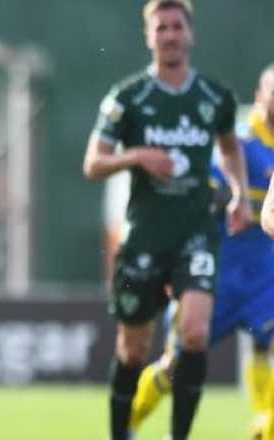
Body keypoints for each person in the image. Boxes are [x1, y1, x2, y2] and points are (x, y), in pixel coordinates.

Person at [81, 1, 252, 438]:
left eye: (178, 27)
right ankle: (121, 433)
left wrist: (238, 194)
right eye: (162, 28)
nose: (170, 35)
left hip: (196, 232)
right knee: (133, 349)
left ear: (190, 34)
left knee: (194, 333)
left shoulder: (215, 97)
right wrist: (138, 156)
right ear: (149, 36)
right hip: (143, 237)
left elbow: (231, 148)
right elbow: (93, 164)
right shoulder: (128, 97)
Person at [127, 62, 274, 438]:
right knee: (176, 364)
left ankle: (265, 425)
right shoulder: (237, 145)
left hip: (264, 279)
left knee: (265, 348)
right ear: (259, 96)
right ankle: (128, 419)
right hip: (219, 276)